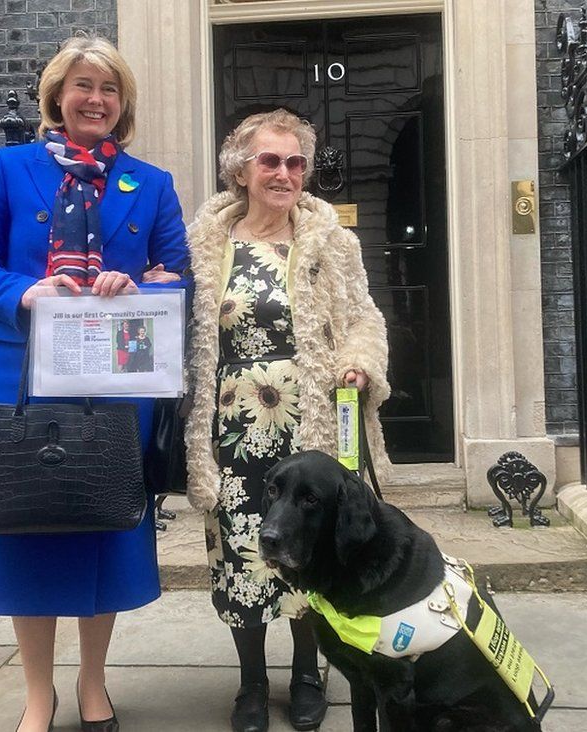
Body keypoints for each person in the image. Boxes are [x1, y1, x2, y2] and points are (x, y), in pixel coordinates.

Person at [0, 35, 187, 732]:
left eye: (110, 89)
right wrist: (25, 292)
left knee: (101, 526)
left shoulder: (151, 183)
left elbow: (179, 275)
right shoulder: (9, 167)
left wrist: (137, 281)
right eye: (83, 85)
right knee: (28, 526)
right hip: (20, 377)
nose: (96, 99)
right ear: (57, 95)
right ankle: (36, 693)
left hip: (114, 381)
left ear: (123, 104)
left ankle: (92, 683)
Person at [182, 108, 391, 732]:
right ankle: (250, 684)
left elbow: (365, 320)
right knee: (240, 557)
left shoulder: (333, 242)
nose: (284, 173)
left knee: (305, 552)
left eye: (295, 162)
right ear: (239, 170)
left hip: (309, 429)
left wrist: (357, 364)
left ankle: (307, 674)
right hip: (233, 434)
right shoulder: (204, 244)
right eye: (270, 160)